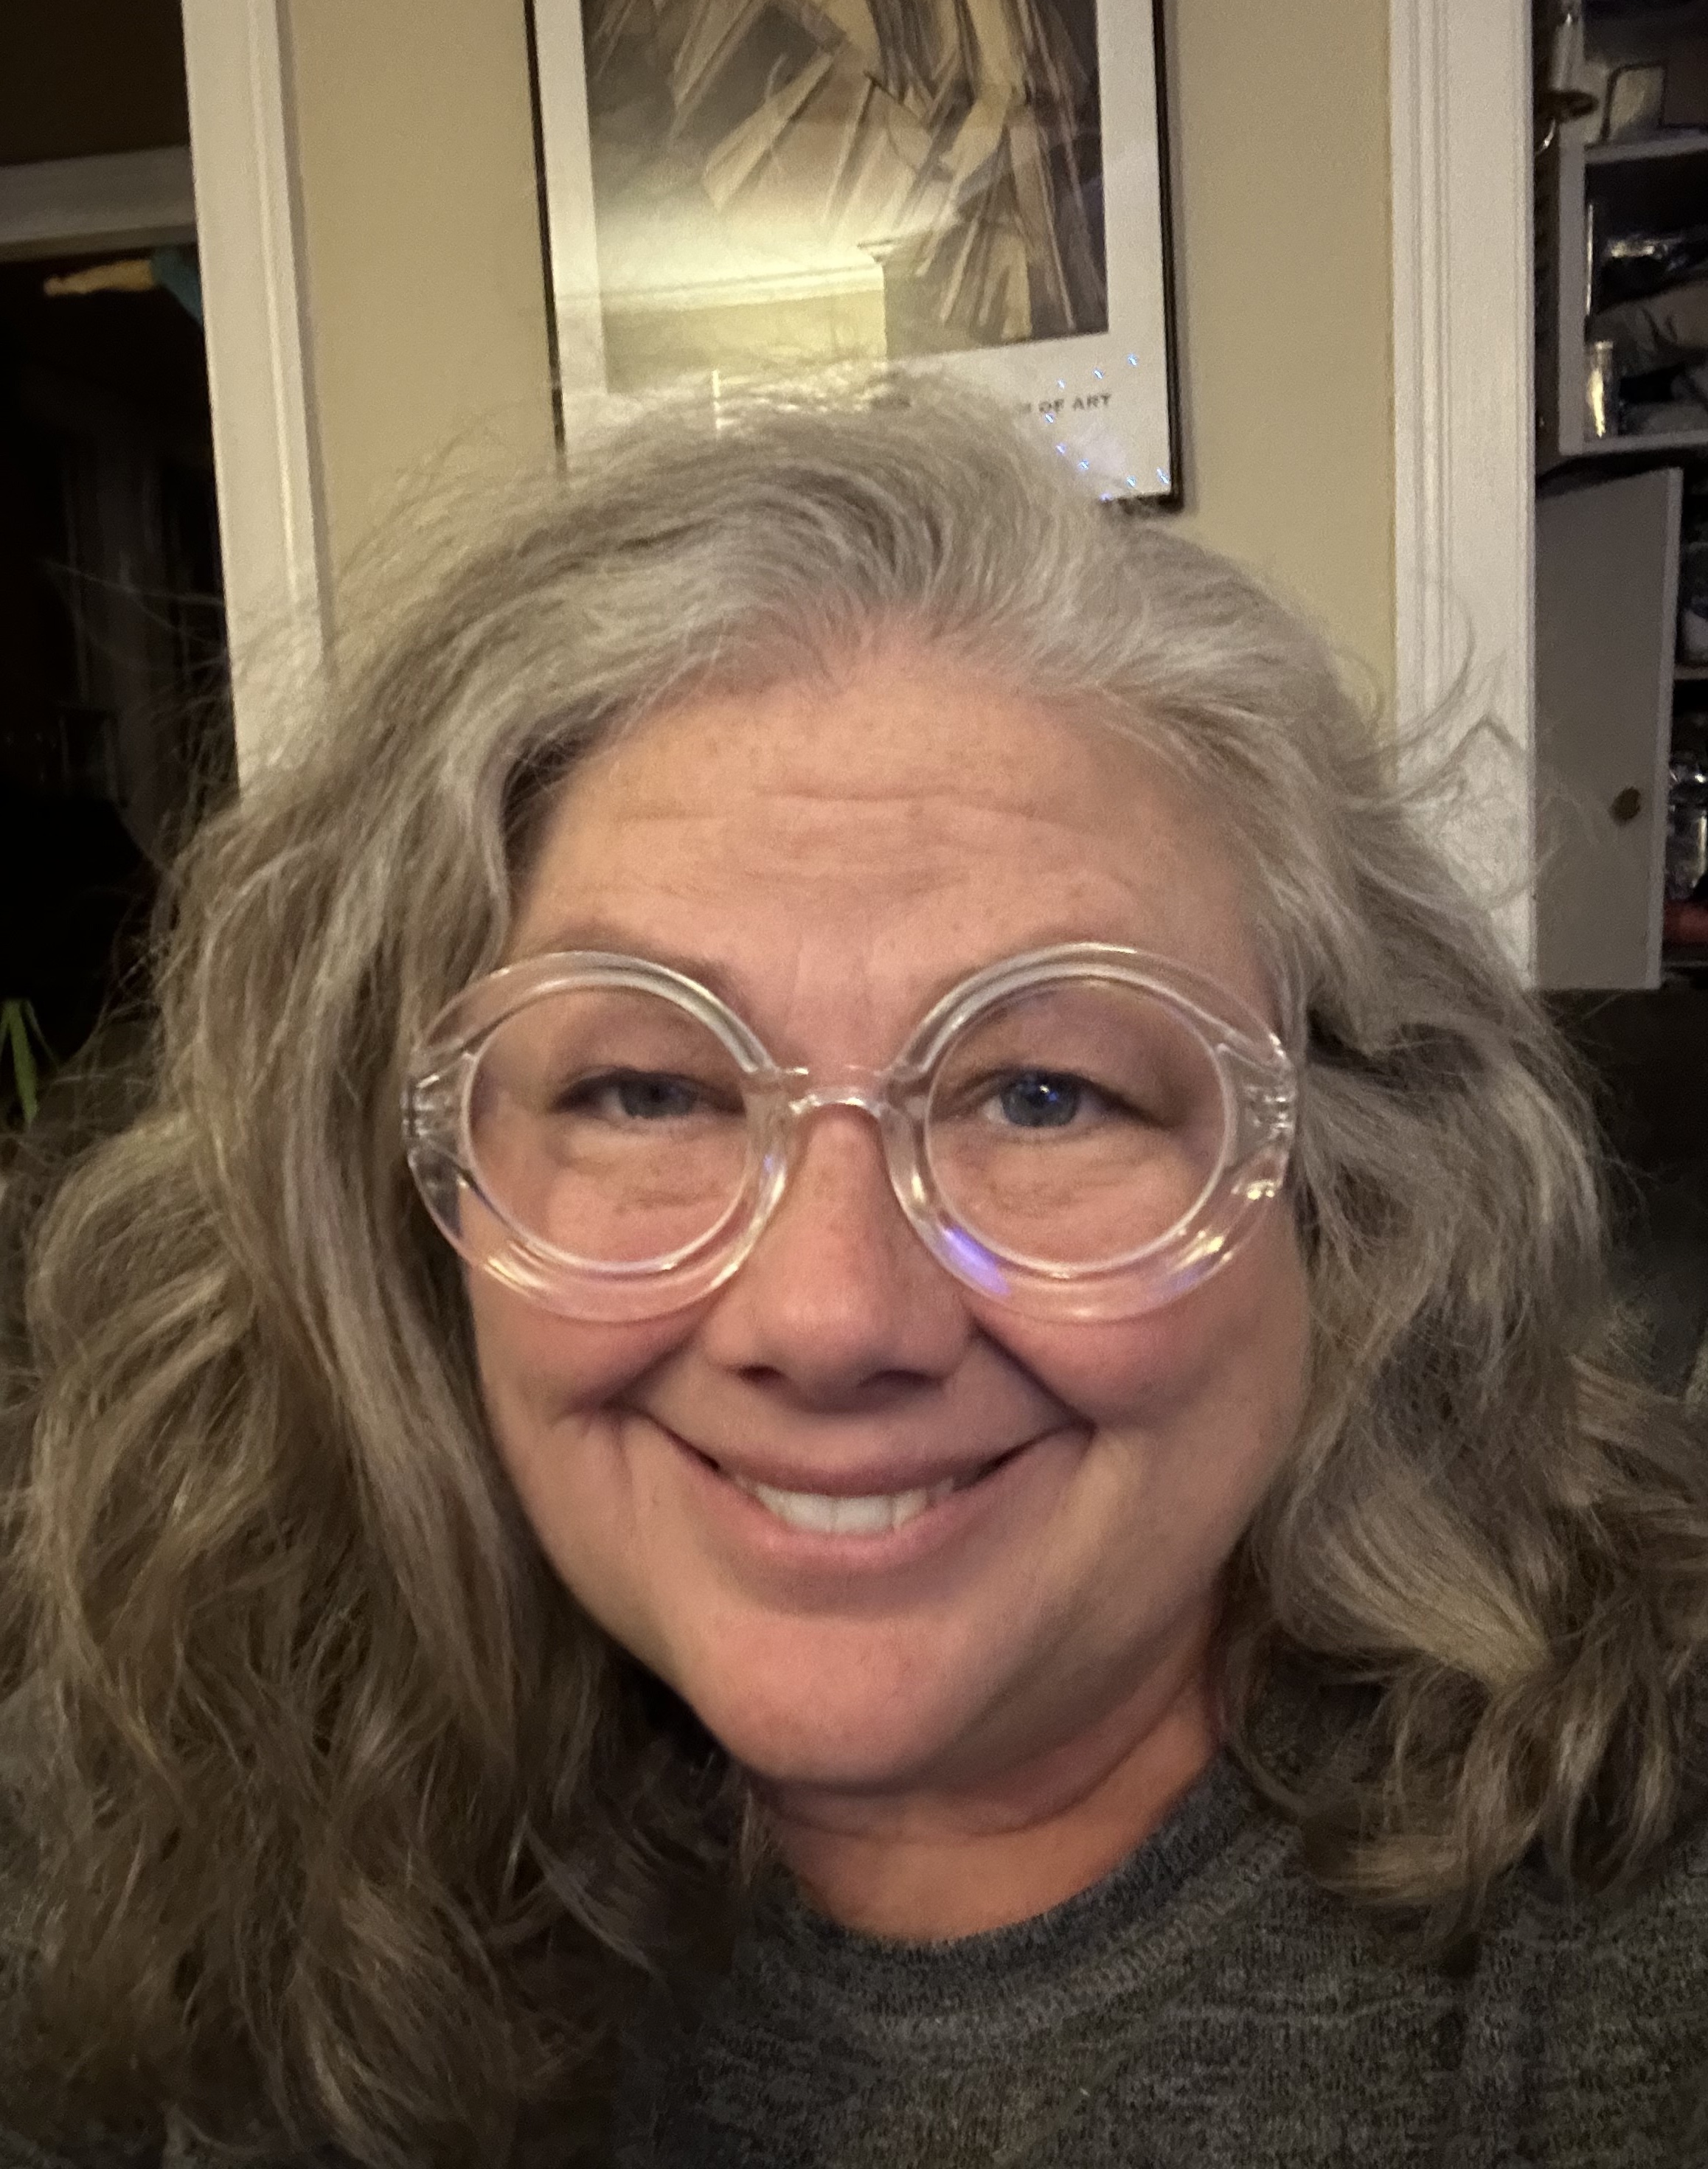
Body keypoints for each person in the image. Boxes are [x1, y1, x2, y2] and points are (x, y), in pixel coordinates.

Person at [1, 382, 1705, 2169]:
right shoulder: (159, 1792)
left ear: (1349, 1196)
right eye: (645, 1089)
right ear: (405, 1198)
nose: (828, 1316)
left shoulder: (1631, 1941)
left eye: (1044, 1094)